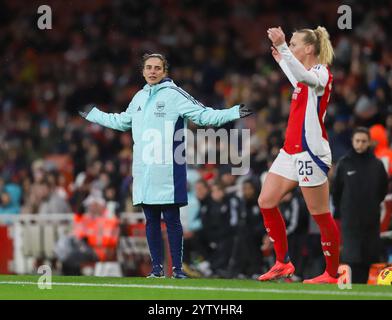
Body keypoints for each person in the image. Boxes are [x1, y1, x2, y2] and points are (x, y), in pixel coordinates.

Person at [79, 53, 252, 278]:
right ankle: (157, 270)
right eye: (149, 67)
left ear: (164, 71)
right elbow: (121, 122)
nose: (152, 71)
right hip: (143, 170)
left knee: (171, 219)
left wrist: (233, 112)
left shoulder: (174, 94)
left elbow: (202, 116)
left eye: (157, 68)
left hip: (169, 169)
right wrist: (95, 115)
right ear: (142, 71)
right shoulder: (139, 97)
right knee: (150, 220)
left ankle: (178, 270)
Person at [257, 26, 340, 283]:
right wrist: (283, 60)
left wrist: (283, 49)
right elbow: (298, 79)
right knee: (266, 201)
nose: (290, 47)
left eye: (294, 44)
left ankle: (331, 272)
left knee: (320, 213)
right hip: (289, 151)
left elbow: (305, 79)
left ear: (309, 49)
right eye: (289, 43)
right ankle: (283, 262)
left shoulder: (322, 73)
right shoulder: (304, 75)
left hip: (309, 153)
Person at [332, 127, 388, 283]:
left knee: (369, 257)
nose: (360, 144)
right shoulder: (344, 163)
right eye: (357, 141)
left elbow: (382, 189)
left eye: (364, 141)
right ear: (352, 141)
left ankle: (363, 289)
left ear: (369, 142)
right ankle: (350, 289)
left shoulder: (377, 165)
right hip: (350, 220)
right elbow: (336, 190)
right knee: (351, 257)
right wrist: (341, 211)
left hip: (371, 219)